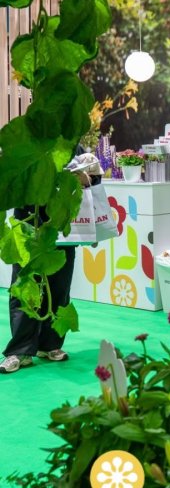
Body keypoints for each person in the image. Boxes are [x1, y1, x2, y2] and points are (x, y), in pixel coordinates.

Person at [0, 147, 90, 374]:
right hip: (28, 225)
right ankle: (19, 350)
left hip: (60, 225)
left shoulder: (71, 144)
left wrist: (83, 175)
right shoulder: (25, 142)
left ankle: (50, 345)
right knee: (24, 287)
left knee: (60, 286)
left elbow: (88, 180)